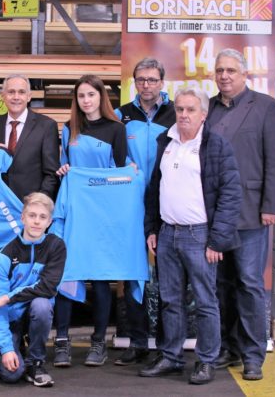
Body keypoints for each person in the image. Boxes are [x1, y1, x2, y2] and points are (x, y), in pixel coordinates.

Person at [139, 87, 242, 385]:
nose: (183, 115)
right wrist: (153, 228)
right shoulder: (166, 140)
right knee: (170, 300)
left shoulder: (216, 145)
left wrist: (217, 240)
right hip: (167, 233)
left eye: (190, 110)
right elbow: (155, 188)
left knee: (205, 301)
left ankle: (207, 360)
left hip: (200, 236)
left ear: (203, 114)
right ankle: (171, 357)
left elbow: (231, 195)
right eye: (180, 109)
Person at [206, 48, 275, 381]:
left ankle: (254, 355)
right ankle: (229, 347)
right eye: (219, 70)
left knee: (249, 283)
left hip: (252, 213)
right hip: (215, 216)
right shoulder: (208, 108)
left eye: (231, 70)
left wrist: (271, 205)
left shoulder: (266, 107)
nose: (224, 76)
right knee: (222, 285)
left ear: (244, 74)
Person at [53, 74, 128, 367]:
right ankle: (61, 341)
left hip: (102, 214)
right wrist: (63, 169)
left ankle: (99, 342)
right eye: (81, 95)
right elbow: (64, 164)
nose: (86, 100)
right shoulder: (69, 128)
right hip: (74, 211)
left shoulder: (116, 129)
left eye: (91, 95)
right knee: (67, 275)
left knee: (99, 278)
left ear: (101, 97)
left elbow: (120, 174)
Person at [114, 57, 175, 365]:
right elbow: (113, 155)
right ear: (134, 82)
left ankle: (166, 345)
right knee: (133, 274)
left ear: (162, 82)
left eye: (152, 79)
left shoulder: (176, 114)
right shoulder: (120, 115)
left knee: (167, 277)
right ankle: (138, 342)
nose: (146, 85)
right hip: (130, 205)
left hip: (168, 205)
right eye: (141, 80)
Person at [0, 192, 66, 387]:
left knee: (42, 305)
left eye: (42, 217)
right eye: (32, 215)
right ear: (22, 218)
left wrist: (7, 298)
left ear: (49, 222)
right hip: (12, 319)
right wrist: (6, 349)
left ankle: (35, 362)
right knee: (11, 375)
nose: (37, 221)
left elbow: (47, 288)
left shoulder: (56, 246)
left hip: (35, 313)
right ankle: (13, 347)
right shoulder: (3, 257)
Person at [0, 74, 60, 201]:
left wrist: (40, 201)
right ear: (2, 96)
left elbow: (52, 173)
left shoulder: (46, 126)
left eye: (21, 92)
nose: (16, 97)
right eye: (11, 92)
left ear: (29, 96)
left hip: (32, 205)